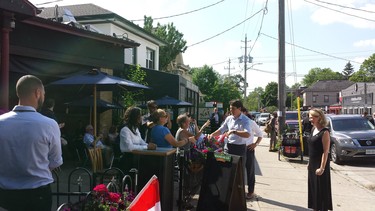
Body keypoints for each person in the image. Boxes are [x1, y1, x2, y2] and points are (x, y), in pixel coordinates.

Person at [0, 75, 63, 211]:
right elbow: (56, 161)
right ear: (37, 93)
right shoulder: (49, 124)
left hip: (6, 195)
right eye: (44, 94)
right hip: (37, 194)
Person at [208, 99, 251, 195]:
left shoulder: (245, 120)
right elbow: (221, 129)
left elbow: (247, 134)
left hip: (239, 149)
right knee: (226, 169)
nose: (231, 111)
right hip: (228, 147)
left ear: (239, 109)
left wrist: (234, 131)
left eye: (233, 109)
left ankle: (239, 194)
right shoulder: (229, 118)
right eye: (230, 109)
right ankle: (226, 193)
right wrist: (212, 135)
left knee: (238, 172)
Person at [307, 108, 333, 211]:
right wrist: (309, 162)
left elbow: (325, 151)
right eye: (310, 117)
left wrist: (322, 168)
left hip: (320, 164)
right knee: (313, 188)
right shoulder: (313, 129)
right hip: (313, 164)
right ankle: (315, 208)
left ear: (319, 117)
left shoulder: (324, 132)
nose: (310, 119)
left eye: (312, 117)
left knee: (321, 189)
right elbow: (312, 149)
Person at [242, 108, 263, 200]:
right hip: (237, 149)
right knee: (238, 171)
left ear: (244, 112)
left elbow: (260, 134)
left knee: (250, 171)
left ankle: (251, 191)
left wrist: (255, 144)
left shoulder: (251, 122)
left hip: (248, 149)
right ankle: (239, 190)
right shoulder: (233, 121)